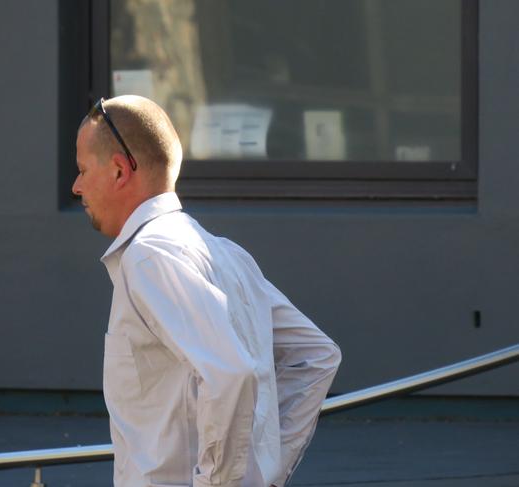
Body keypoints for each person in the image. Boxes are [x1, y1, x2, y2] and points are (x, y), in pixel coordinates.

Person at [72, 95, 341, 487]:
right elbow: (316, 356)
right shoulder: (224, 252)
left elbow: (234, 374)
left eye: (82, 169)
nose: (76, 186)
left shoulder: (149, 256)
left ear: (118, 171)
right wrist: (263, 470)